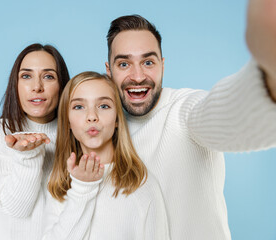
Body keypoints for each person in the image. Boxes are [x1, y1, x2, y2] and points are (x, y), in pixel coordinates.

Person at [104, 1, 276, 239]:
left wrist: (270, 77)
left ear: (162, 66)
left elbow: (226, 116)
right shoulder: (99, 131)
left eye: (148, 62)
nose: (138, 76)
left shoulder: (184, 110)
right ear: (108, 71)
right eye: (124, 64)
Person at [44, 71, 170, 239]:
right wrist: (82, 189)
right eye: (79, 107)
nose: (91, 117)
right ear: (67, 121)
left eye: (103, 106)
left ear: (117, 118)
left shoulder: (141, 184)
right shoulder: (60, 185)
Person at [0, 43, 70, 240]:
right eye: (26, 76)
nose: (36, 87)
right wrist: (28, 157)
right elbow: (17, 209)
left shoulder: (76, 130)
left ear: (62, 85)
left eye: (48, 76)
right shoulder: (3, 131)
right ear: (15, 84)